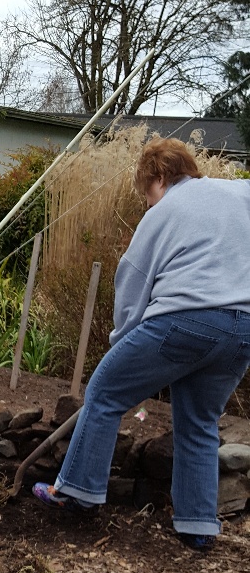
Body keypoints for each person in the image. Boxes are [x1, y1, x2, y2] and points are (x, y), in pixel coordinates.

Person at [33, 138, 250, 549]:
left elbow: (131, 281)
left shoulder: (163, 210)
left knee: (105, 391)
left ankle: (76, 492)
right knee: (200, 422)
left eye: (147, 193)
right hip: (243, 329)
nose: (148, 203)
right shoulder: (240, 192)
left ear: (160, 177)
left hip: (184, 320)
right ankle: (198, 527)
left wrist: (120, 345)